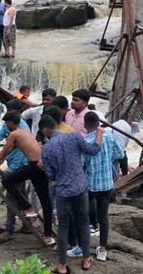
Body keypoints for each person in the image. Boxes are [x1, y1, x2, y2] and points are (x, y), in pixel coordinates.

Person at [0, 112, 55, 246]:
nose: (6, 126)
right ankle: (48, 234)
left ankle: (27, 207)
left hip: (33, 166)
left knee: (7, 181)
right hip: (40, 165)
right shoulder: (25, 131)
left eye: (6, 123)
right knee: (45, 201)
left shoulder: (14, 134)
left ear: (10, 122)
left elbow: (1, 155)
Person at [41, 113, 102, 273]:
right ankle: (86, 259)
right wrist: (99, 134)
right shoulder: (73, 137)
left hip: (62, 191)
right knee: (83, 222)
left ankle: (62, 265)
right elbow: (93, 150)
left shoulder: (46, 148)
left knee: (63, 226)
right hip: (80, 187)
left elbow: (50, 174)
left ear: (45, 130)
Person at [83, 112, 123, 262]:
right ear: (98, 123)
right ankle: (102, 250)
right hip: (106, 183)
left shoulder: (86, 141)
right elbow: (120, 154)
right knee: (104, 217)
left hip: (90, 184)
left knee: (85, 214)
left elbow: (82, 163)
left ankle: (83, 246)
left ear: (85, 125)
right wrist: (107, 159)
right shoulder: (109, 136)